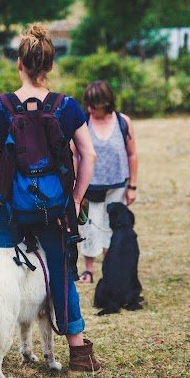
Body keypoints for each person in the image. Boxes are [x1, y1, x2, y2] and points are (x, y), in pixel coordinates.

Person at [0, 23, 101, 373]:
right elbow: (88, 155)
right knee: (61, 273)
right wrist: (75, 200)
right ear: (50, 66)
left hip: (10, 206)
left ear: (19, 64)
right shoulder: (67, 106)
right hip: (55, 209)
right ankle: (78, 352)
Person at [77, 80, 138, 283]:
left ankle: (111, 266)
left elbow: (132, 154)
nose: (90, 109)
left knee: (113, 226)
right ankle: (88, 269)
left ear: (106, 103)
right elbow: (74, 154)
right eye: (89, 105)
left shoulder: (123, 122)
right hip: (90, 186)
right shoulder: (83, 122)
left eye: (95, 105)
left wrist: (132, 186)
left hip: (117, 185)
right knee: (90, 228)